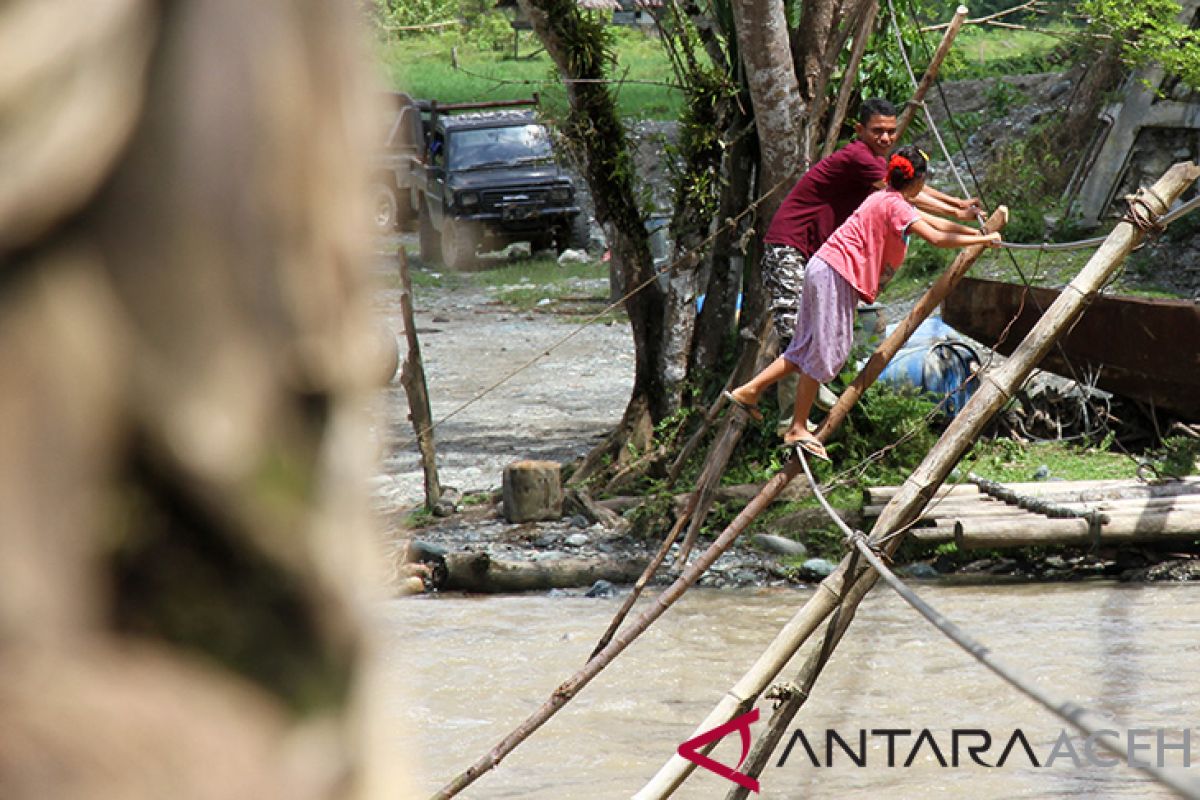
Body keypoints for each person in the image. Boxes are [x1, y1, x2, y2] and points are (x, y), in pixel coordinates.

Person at [727, 145, 1001, 461]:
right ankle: (797, 427)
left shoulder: (883, 199)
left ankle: (750, 390)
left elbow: (938, 226)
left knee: (804, 346)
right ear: (918, 182)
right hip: (837, 275)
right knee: (828, 352)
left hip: (820, 267)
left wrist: (969, 226)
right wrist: (981, 239)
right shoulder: (896, 206)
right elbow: (937, 238)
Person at [756, 98, 981, 425]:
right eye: (878, 131)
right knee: (795, 329)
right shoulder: (860, 158)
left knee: (816, 330)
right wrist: (957, 210)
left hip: (814, 253)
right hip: (788, 244)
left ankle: (804, 397)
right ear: (859, 130)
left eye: (891, 132)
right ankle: (793, 414)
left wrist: (957, 206)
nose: (886, 138)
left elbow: (912, 191)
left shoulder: (879, 167)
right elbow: (913, 194)